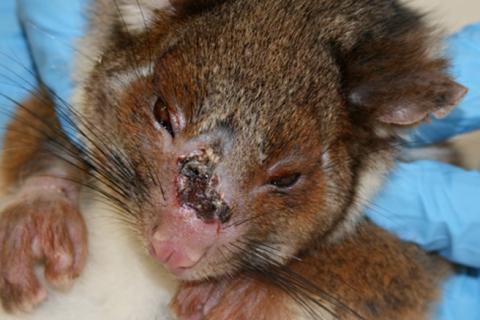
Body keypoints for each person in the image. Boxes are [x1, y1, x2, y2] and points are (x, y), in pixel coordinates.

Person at [0, 0, 478, 318]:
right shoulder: (139, 47)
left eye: (285, 178)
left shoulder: (386, 166)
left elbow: (407, 272)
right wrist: (43, 185)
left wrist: (286, 291)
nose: (174, 247)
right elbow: (79, 108)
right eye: (166, 117)